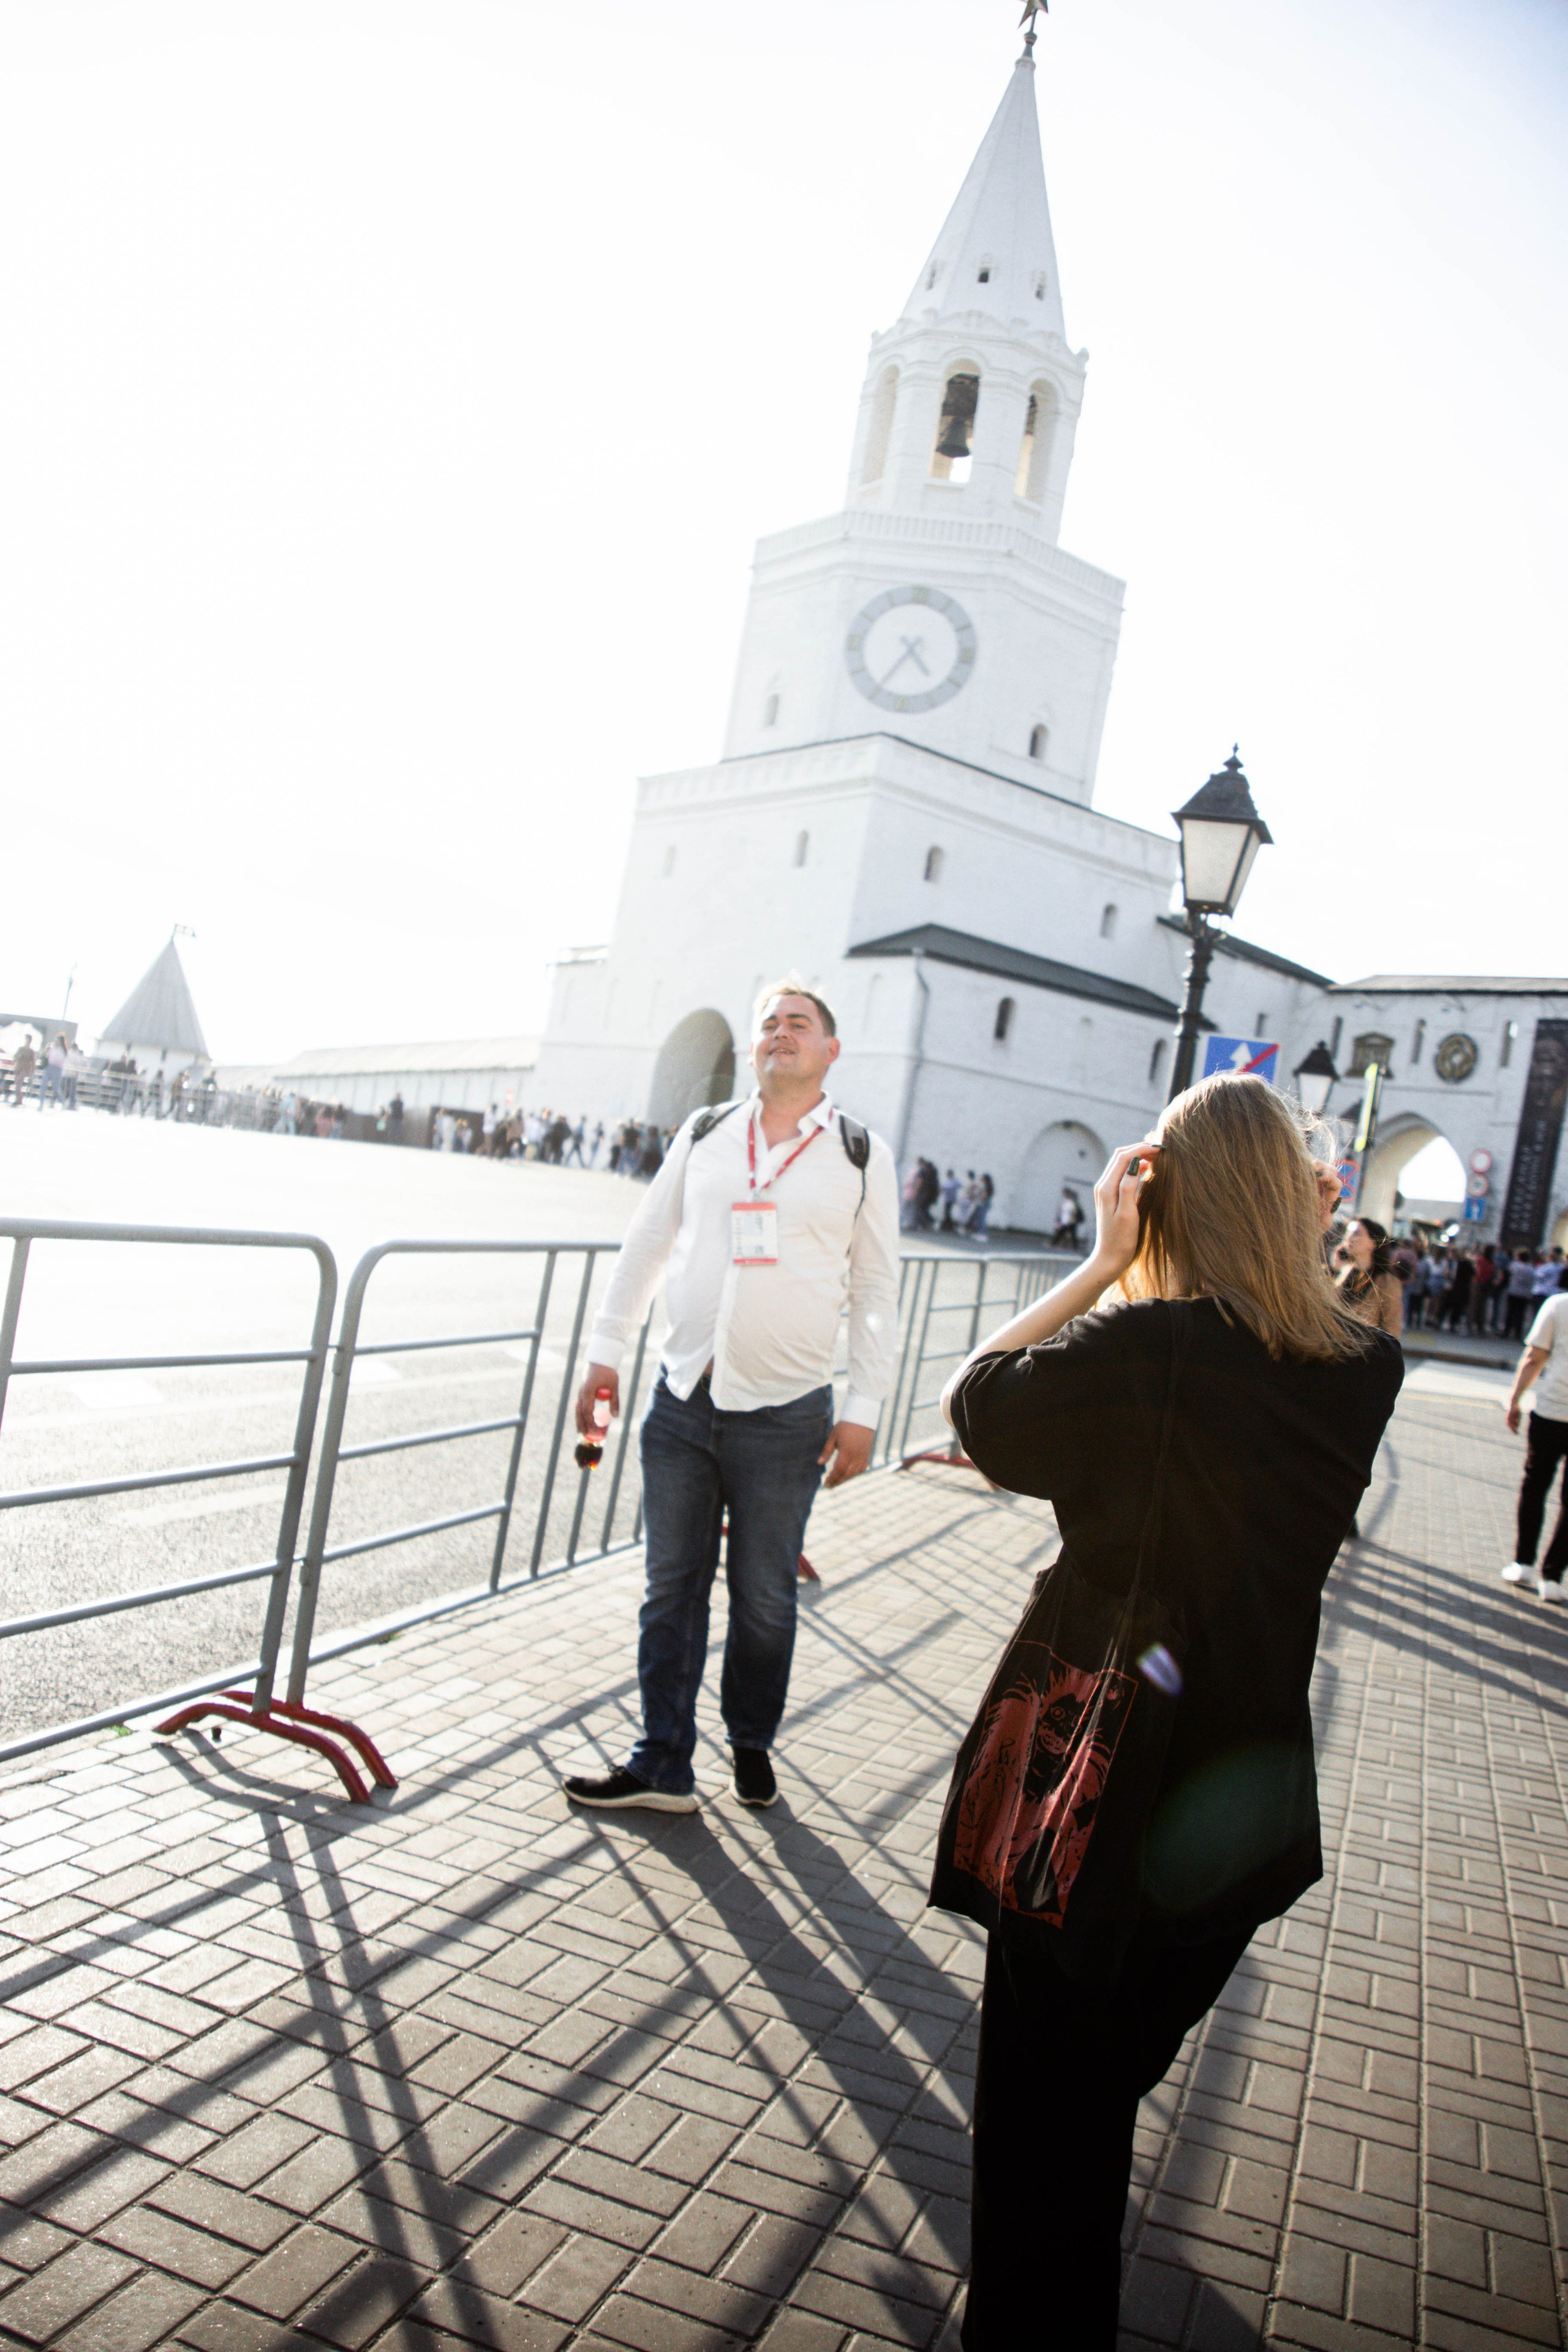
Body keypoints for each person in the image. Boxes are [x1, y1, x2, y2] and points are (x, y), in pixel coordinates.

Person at [934, 1075, 1402, 2350]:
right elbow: (1289, 1331)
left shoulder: (1146, 1350)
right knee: (1097, 2101)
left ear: (1168, 1199)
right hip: (1242, 1807)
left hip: (1094, 1792)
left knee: (1041, 2130)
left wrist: (1102, 1263)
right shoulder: (1366, 1369)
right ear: (1295, 1199)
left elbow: (975, 1403)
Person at [561, 981, 900, 1814]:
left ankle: (750, 1739)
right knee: (670, 1589)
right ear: (753, 1047)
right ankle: (662, 1762)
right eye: (768, 1024)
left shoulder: (861, 1154)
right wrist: (605, 1352)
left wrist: (863, 1410)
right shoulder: (706, 1132)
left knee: (764, 1599)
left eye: (799, 1023)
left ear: (830, 1050)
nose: (781, 1033)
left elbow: (875, 1289)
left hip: (786, 1416)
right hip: (683, 1399)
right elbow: (648, 1241)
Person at [1502, 1276, 1568, 1600]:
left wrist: (1515, 1400)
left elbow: (1534, 1357)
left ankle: (1523, 1563)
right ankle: (1553, 1578)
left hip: (1552, 1412)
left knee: (1535, 1486)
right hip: (1553, 1412)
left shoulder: (1558, 1305)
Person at [1333, 1217, 1404, 1336]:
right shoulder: (1344, 1272)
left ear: (1373, 1243)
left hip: (1365, 1346)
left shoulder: (1387, 1281)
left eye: (1356, 1234)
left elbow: (1392, 1327)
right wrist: (1334, 1270)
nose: (1348, 1238)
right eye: (1348, 1233)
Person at [1505, 1248, 1538, 1343]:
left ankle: (1507, 1331)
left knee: (1510, 1312)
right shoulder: (1531, 1269)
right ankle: (1518, 1333)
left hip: (1513, 1291)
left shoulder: (1514, 1266)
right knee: (1520, 1314)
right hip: (1524, 1293)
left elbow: (1508, 1272)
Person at [1050, 1186, 1085, 1250]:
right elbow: (1064, 1211)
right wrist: (1060, 1219)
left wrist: (1063, 1219)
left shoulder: (1072, 1202)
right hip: (1068, 1221)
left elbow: (1071, 1212)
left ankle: (1054, 1244)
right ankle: (1073, 1247)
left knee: (1062, 1233)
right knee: (1069, 1234)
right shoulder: (1069, 1202)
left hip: (1069, 1221)